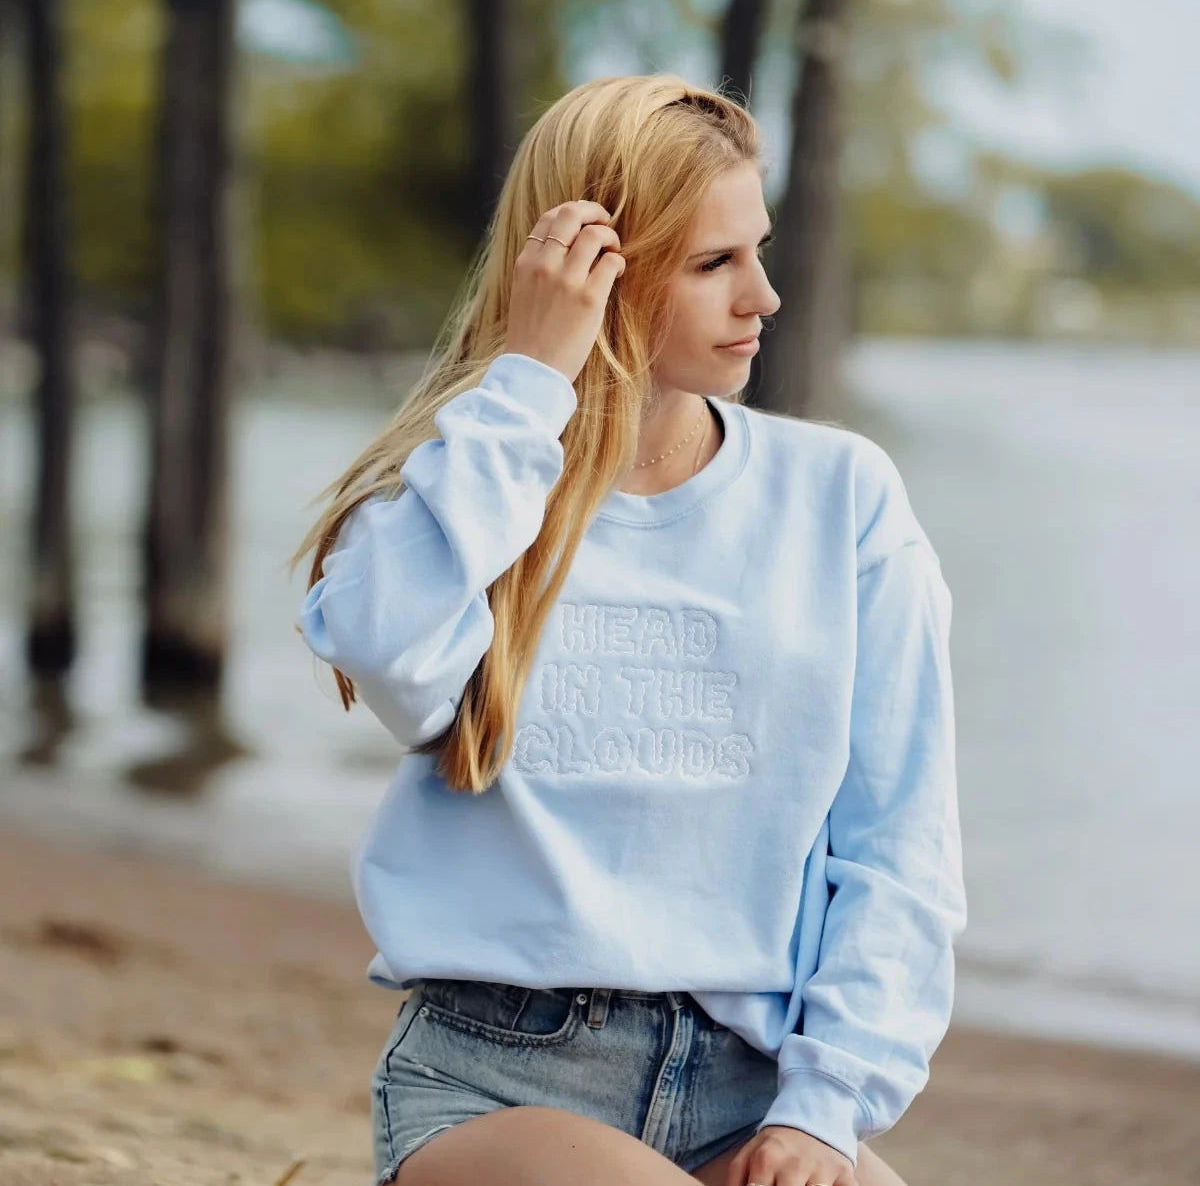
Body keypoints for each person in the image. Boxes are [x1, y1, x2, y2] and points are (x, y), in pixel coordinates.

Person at [290, 73, 966, 1186]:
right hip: (498, 1082)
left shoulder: (844, 494)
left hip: (753, 1087)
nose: (766, 297)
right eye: (714, 264)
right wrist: (525, 380)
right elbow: (382, 648)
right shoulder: (473, 484)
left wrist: (824, 1105)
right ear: (596, 273)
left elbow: (899, 843)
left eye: (758, 249)